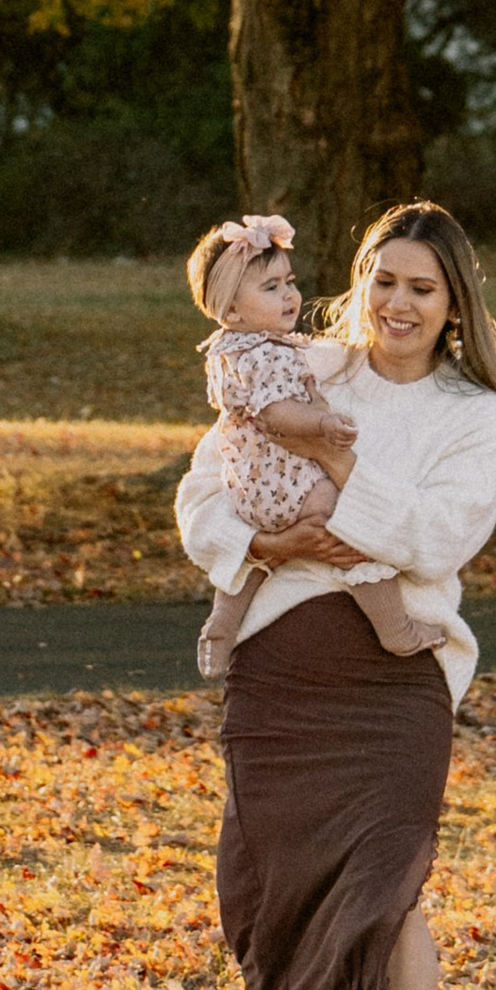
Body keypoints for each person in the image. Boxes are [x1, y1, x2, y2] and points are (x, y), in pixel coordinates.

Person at [176, 200, 496, 990]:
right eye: (383, 280)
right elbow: (205, 491)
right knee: (263, 892)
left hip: (391, 688)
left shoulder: (476, 417)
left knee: (387, 892)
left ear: (453, 305)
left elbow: (434, 539)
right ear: (358, 282)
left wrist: (336, 466)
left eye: (420, 288)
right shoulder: (301, 364)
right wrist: (259, 544)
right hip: (280, 673)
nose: (396, 304)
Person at [185, 213, 431, 680]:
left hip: (249, 490)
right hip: (287, 481)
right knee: (356, 527)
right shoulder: (265, 353)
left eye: (289, 282)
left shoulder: (232, 349)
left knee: (259, 557)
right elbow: (278, 414)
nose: (290, 296)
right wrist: (323, 425)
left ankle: (221, 625)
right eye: (271, 288)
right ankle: (395, 627)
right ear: (232, 311)